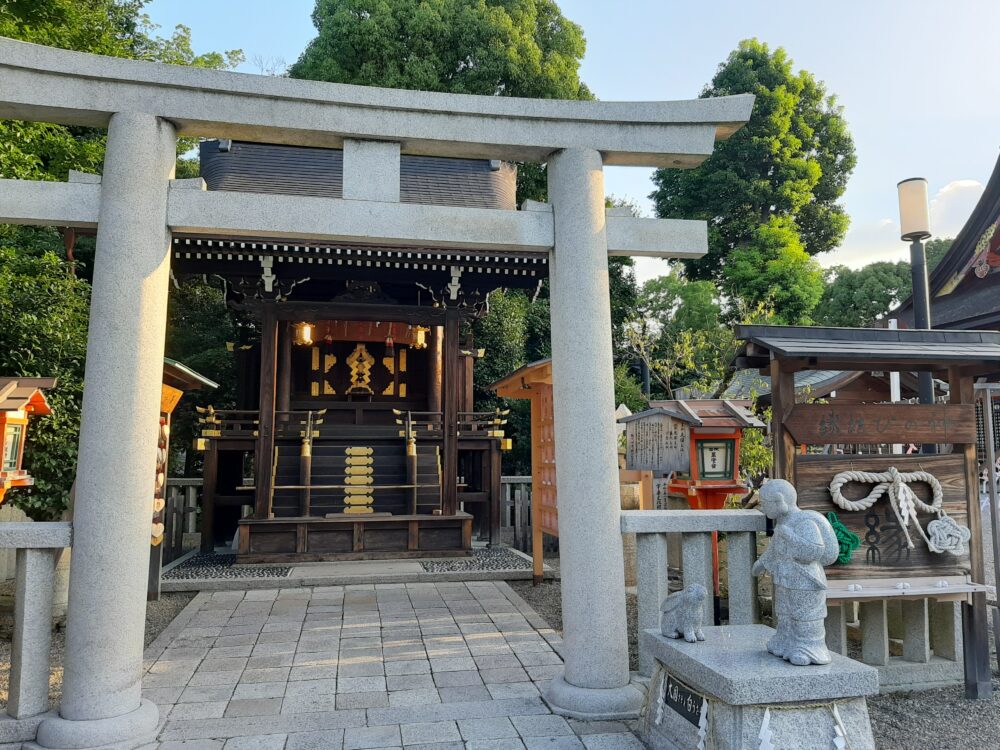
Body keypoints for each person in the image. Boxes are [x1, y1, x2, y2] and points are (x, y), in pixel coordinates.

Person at [752, 479, 839, 666]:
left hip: (806, 580)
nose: (762, 508)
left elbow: (813, 552)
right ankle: (785, 641)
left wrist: (789, 536)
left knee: (805, 614)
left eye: (765, 503)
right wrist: (762, 563)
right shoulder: (783, 522)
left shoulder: (805, 521)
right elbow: (775, 549)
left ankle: (809, 647)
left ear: (779, 500)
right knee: (784, 612)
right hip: (785, 578)